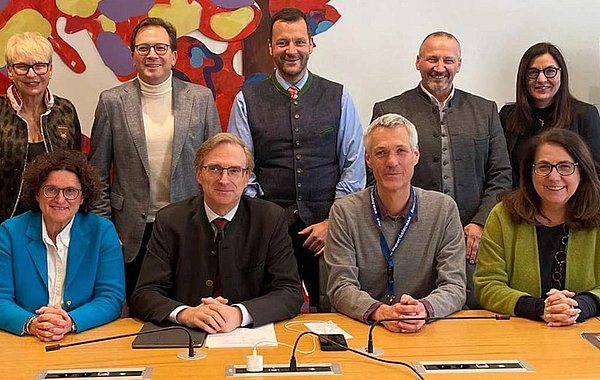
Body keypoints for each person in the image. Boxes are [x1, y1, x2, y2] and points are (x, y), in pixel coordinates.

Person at [228, 8, 365, 311]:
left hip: (329, 228)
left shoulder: (338, 96)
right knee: (269, 310)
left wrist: (334, 221)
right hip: (268, 229)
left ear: (311, 45)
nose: (292, 51)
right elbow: (239, 170)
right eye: (283, 43)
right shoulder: (246, 100)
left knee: (333, 310)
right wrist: (263, 220)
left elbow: (354, 167)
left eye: (299, 42)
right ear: (270, 48)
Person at [371, 31, 511, 309]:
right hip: (410, 236)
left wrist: (480, 223)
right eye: (432, 59)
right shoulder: (390, 109)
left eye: (448, 60)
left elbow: (501, 175)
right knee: (412, 310)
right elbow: (378, 174)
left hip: (471, 236)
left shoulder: (484, 110)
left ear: (459, 64)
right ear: (418, 62)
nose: (439, 67)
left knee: (469, 309)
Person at [88, 17, 221, 304]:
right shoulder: (112, 101)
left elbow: (217, 167)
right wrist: (107, 231)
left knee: (191, 307)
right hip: (132, 231)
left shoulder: (201, 99)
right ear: (133, 54)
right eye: (143, 48)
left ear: (173, 55)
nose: (152, 55)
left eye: (160, 48)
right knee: (139, 310)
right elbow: (96, 174)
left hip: (190, 225)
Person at [130, 133, 302, 333]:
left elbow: (289, 292)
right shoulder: (170, 220)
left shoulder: (270, 219)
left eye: (235, 170)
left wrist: (239, 314)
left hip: (250, 338)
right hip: (185, 337)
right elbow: (144, 293)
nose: (224, 179)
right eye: (214, 169)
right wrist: (186, 314)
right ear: (198, 174)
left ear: (247, 177)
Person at [325, 114, 466, 333]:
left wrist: (423, 310)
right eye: (381, 153)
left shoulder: (443, 209)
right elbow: (341, 286)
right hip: (365, 329)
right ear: (368, 159)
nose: (392, 162)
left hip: (425, 328)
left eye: (401, 151)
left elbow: (454, 286)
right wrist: (381, 313)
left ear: (416, 155)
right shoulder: (345, 212)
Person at [475, 129, 600, 325]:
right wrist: (539, 308)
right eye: (544, 167)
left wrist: (579, 306)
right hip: (519, 333)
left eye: (565, 166)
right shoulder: (503, 216)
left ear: (582, 172)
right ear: (530, 172)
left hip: (583, 333)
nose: (554, 176)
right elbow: (487, 285)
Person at [0, 151, 124, 340]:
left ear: (82, 197)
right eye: (51, 189)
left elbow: (111, 298)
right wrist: (32, 323)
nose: (60, 199)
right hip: (25, 339)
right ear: (37, 193)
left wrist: (70, 322)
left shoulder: (102, 231)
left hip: (84, 338)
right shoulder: (9, 232)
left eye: (70, 191)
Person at [0, 32, 82, 223]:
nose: (32, 74)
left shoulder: (66, 111)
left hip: (57, 224)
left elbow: (78, 170)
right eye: (22, 67)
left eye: (40, 66)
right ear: (10, 71)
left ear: (50, 69)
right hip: (6, 226)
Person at [500, 42, 600, 185]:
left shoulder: (585, 115)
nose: (541, 79)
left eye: (550, 71)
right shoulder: (507, 115)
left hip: (569, 203)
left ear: (561, 74)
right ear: (523, 77)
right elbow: (501, 171)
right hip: (519, 203)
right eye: (533, 72)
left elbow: (595, 174)